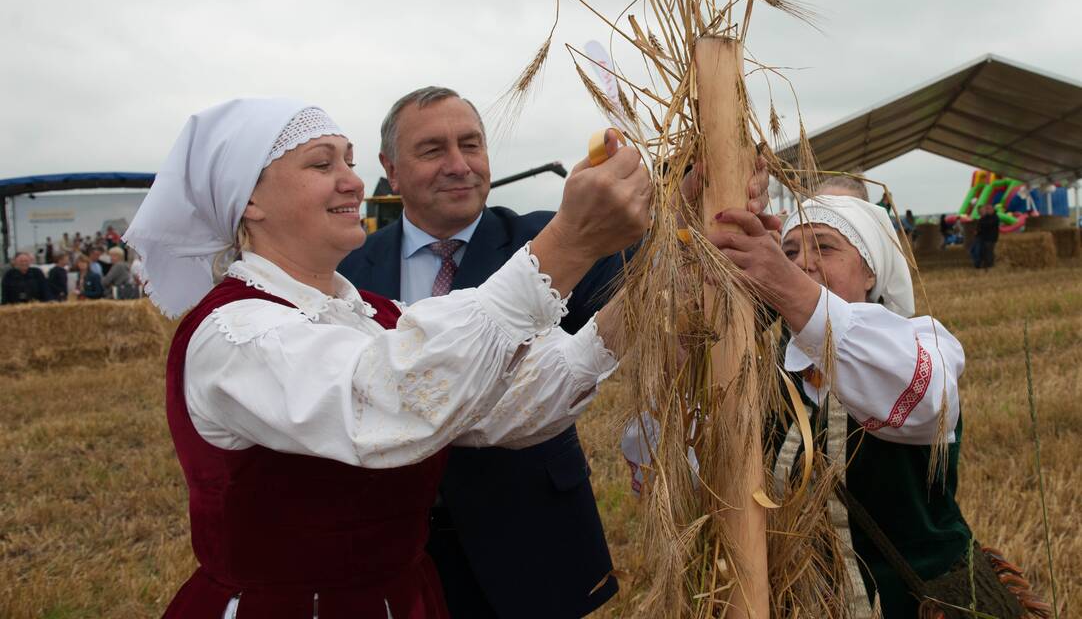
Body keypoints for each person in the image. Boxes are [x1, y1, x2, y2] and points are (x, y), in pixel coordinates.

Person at [123, 97, 653, 619]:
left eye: (349, 161)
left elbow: (511, 401)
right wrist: (569, 241)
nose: (352, 181)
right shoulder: (234, 331)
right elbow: (391, 402)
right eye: (321, 163)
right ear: (250, 199)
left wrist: (658, 287)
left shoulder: (374, 314)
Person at [338, 85, 773, 619]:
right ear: (392, 168)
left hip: (530, 539)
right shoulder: (349, 269)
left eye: (471, 145)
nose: (459, 165)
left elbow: (651, 279)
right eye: (433, 151)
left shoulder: (558, 236)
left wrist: (699, 203)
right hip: (393, 553)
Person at [711, 195, 1045, 618]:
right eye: (790, 251)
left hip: (917, 604)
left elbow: (920, 397)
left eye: (825, 247)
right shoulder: (766, 371)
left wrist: (789, 286)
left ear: (871, 270)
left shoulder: (922, 344)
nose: (803, 263)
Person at [973, 203, 1000, 269]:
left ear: (993, 209)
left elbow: (988, 225)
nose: (987, 210)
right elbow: (981, 225)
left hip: (991, 238)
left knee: (989, 253)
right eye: (987, 209)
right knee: (983, 252)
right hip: (984, 238)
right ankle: (985, 265)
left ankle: (990, 266)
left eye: (989, 209)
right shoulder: (985, 217)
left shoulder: (995, 217)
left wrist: (979, 229)